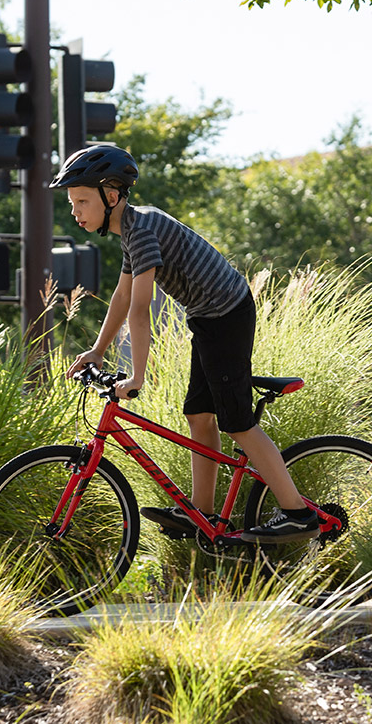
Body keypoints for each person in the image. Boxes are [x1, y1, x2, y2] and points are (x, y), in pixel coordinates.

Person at [53, 144, 319, 544]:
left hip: (226, 314)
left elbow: (140, 310)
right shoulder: (133, 230)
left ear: (111, 196)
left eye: (82, 201)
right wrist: (97, 349)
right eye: (73, 203)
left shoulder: (141, 232)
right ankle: (203, 512)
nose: (75, 211)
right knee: (198, 414)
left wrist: (136, 376)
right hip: (209, 318)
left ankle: (297, 513)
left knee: (236, 423)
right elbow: (122, 298)